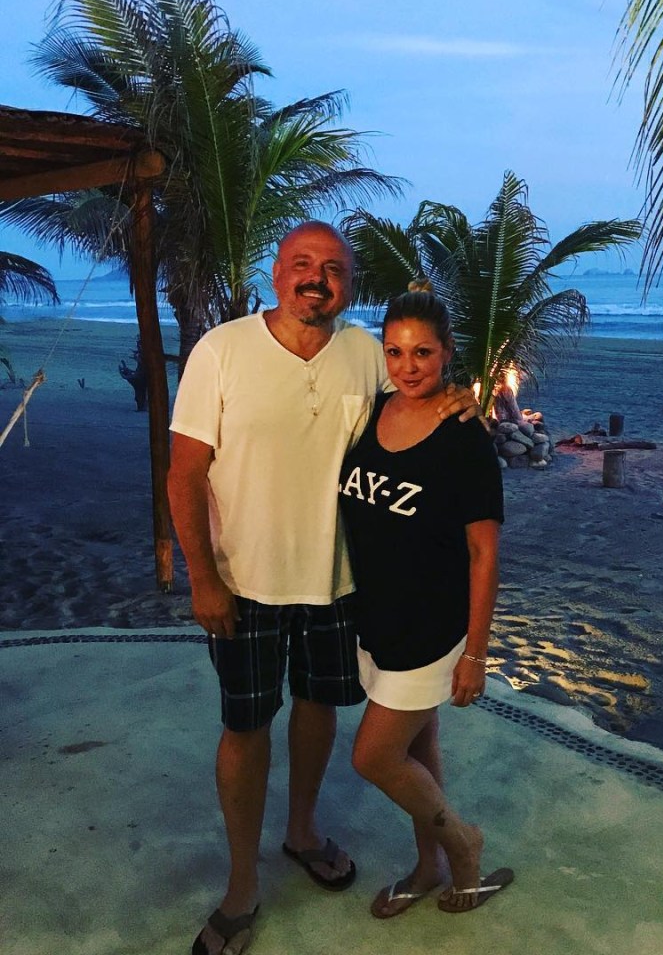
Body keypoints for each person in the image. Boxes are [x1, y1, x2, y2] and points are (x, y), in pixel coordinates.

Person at [167, 222, 477, 955]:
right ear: (275, 273)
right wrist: (202, 578)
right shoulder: (222, 351)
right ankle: (242, 890)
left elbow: (417, 401)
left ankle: (301, 831)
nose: (317, 278)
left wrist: (461, 398)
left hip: (339, 585)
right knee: (244, 731)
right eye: (302, 264)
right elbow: (183, 473)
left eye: (333, 268)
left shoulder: (369, 354)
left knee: (316, 711)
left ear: (349, 283)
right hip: (242, 583)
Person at [339, 281, 513, 918]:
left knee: (374, 756)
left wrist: (476, 653)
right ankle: (428, 864)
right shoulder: (375, 411)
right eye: (395, 352)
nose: (408, 367)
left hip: (431, 629)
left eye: (423, 354)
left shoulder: (463, 435)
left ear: (447, 354)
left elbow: (484, 553)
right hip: (377, 619)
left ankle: (461, 842)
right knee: (417, 745)